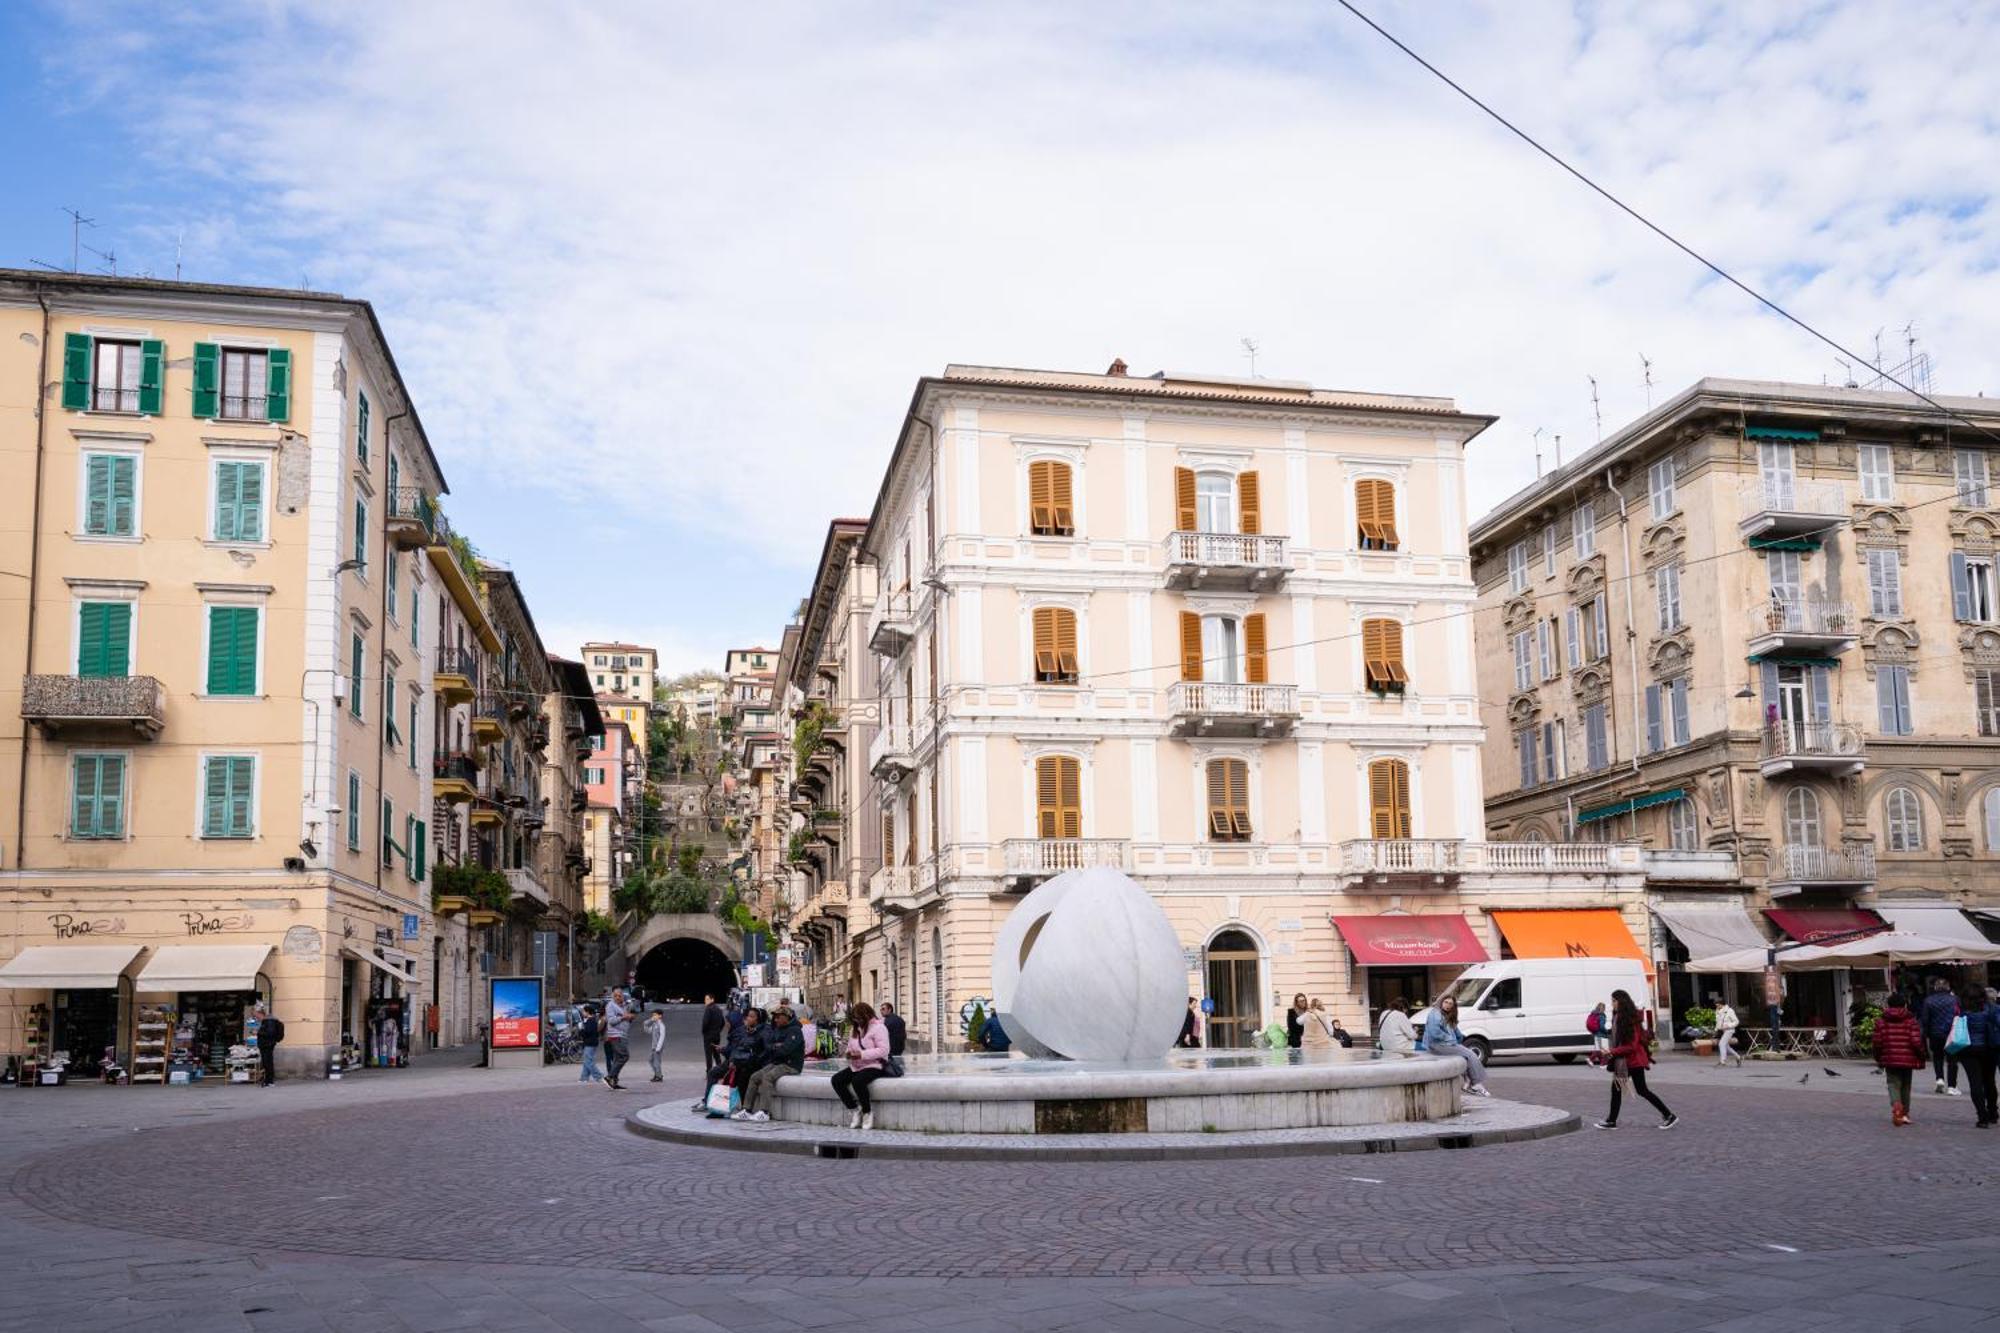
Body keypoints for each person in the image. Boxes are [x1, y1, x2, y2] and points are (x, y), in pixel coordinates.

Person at [1595, 989, 1677, 1130]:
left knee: (1639, 1090)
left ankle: (1669, 1115)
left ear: (1621, 1001)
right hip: (1627, 1061)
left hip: (1633, 1061)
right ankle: (1612, 1120)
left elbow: (1631, 1046)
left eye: (1614, 1001)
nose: (1612, 1004)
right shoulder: (1619, 1017)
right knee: (1630, 1090)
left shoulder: (1629, 1019)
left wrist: (1612, 1051)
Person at [736, 1007, 805, 1122]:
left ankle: (764, 1112)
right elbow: (769, 1046)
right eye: (775, 1017)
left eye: (778, 1017)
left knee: (767, 1078)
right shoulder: (778, 1029)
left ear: (786, 1018)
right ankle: (747, 1110)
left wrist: (777, 1047)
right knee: (754, 1077)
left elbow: (786, 1050)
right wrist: (777, 1046)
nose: (776, 1020)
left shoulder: (795, 1031)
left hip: (791, 1065)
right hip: (777, 1062)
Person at [831, 1001, 890, 1129]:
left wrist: (861, 1054)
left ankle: (867, 1112)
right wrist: (848, 1053)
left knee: (858, 1081)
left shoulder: (879, 1028)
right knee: (836, 1080)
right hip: (857, 1065)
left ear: (866, 1015)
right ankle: (854, 1110)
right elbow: (850, 1046)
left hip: (875, 1065)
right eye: (855, 1018)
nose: (857, 1021)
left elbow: (884, 1050)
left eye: (859, 1018)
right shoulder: (855, 1029)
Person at [1871, 990, 1927, 1127]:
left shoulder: (1881, 1021)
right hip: (1908, 1058)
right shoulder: (1911, 1021)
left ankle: (1896, 1105)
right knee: (1906, 1085)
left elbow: (1877, 1042)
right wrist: (1922, 1054)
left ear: (1888, 1005)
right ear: (1905, 1005)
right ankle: (1905, 1114)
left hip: (1890, 1057)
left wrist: (1878, 1057)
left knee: (1892, 1083)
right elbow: (1916, 1041)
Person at [1422, 996, 1490, 1096]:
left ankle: (1467, 1083)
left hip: (1446, 1044)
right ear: (1441, 1002)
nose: (1448, 1005)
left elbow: (1457, 1033)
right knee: (1470, 1054)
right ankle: (1476, 1084)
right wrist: (1450, 1039)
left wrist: (1459, 1038)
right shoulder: (1435, 1014)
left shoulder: (1448, 1015)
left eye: (1450, 1004)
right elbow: (1434, 1033)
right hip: (1436, 1045)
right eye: (1446, 1002)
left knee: (1467, 1056)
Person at [1960, 985, 2000, 1129]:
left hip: (1968, 1049)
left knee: (1975, 1083)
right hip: (1989, 1049)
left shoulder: (1962, 1012)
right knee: (1989, 1081)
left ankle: (1982, 1117)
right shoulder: (1990, 1009)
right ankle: (1993, 1113)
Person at [1921, 977, 1962, 1096]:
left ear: (1935, 987)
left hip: (1935, 1033)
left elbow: (1925, 1019)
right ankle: (1952, 1086)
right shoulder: (1955, 999)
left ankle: (1939, 1079)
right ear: (1948, 987)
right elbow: (1960, 1013)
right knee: (1952, 1060)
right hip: (1951, 1032)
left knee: (1937, 1057)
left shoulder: (1928, 1000)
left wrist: (1926, 1033)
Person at [600, 988, 632, 1091]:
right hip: (615, 1035)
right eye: (616, 996)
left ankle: (614, 1082)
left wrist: (629, 1017)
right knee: (624, 1056)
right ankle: (609, 1077)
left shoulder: (623, 1006)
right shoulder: (610, 1006)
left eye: (620, 995)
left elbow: (625, 1018)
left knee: (618, 1058)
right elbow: (612, 1021)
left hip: (623, 1035)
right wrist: (624, 1017)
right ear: (613, 996)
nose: (618, 997)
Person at [254, 1005, 283, 1087]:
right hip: (266, 1045)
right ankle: (267, 1080)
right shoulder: (266, 1021)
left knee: (268, 1063)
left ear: (260, 1013)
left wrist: (258, 1033)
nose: (256, 1017)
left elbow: (270, 1033)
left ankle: (269, 1081)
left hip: (268, 1045)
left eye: (256, 1015)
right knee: (266, 1063)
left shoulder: (269, 1021)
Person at [1713, 996, 1741, 1068]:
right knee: (1726, 1046)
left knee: (1721, 1044)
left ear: (1722, 1004)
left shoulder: (1729, 1011)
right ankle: (1738, 1057)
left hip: (1729, 1030)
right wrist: (1716, 1030)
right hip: (1722, 1030)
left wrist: (1728, 1025)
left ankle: (1723, 1061)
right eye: (1716, 1004)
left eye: (1718, 1004)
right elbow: (1718, 1022)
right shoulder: (1717, 1011)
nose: (1717, 1006)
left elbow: (1736, 1021)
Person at [577, 1005, 602, 1085]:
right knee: (587, 1061)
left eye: (584, 1011)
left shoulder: (590, 1021)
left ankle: (599, 1076)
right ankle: (584, 1078)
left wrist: (581, 1030)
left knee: (588, 1061)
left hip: (589, 1043)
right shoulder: (592, 1020)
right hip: (591, 1043)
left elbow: (587, 1032)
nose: (583, 1013)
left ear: (587, 1012)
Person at [643, 1008, 666, 1083]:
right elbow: (648, 1031)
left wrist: (658, 1048)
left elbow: (662, 1037)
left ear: (660, 1016)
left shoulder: (661, 1025)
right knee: (651, 1060)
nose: (653, 1017)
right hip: (653, 1046)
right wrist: (647, 1024)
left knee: (656, 1062)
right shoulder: (654, 1024)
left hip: (658, 1047)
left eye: (655, 1015)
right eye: (653, 1015)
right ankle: (658, 1074)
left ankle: (658, 1076)